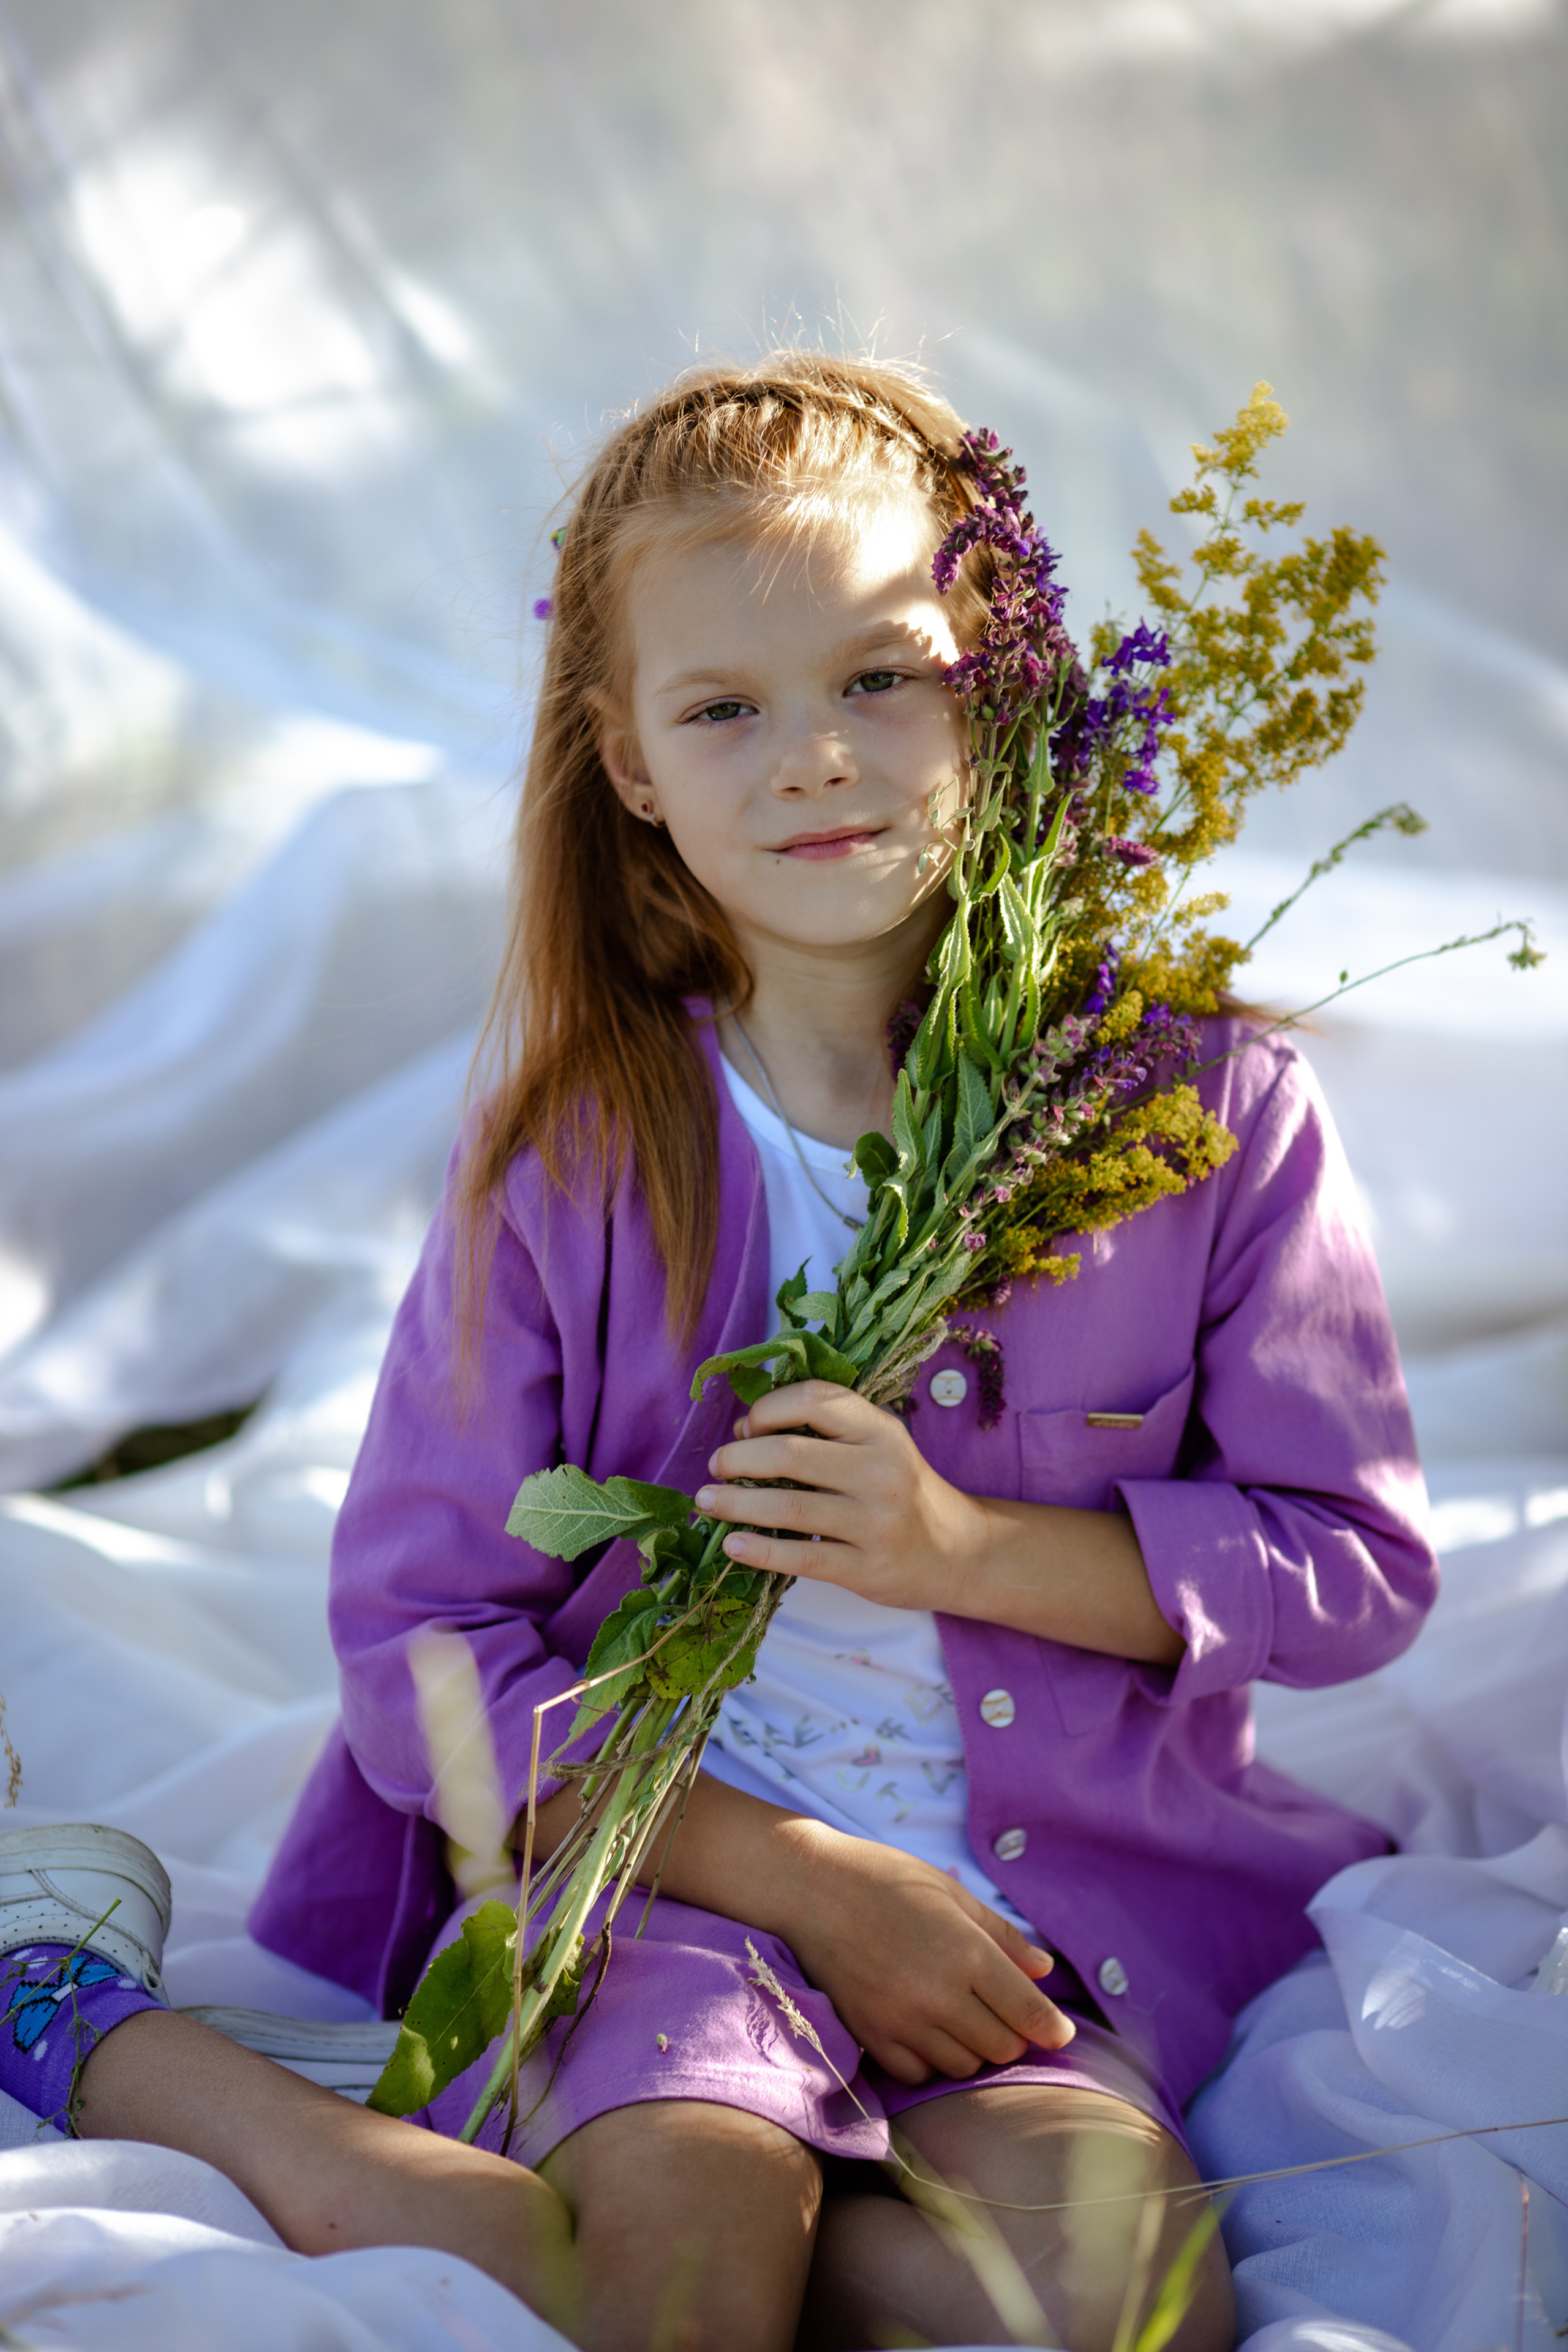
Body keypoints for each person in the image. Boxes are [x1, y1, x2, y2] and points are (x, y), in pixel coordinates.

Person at [1, 352, 1436, 2352]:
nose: (817, 758)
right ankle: (100, 2031)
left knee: (1131, 2310)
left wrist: (962, 1553)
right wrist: (814, 1883)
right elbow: (421, 1642)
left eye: (883, 676)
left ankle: (464, 2187)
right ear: (629, 764)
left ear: (1006, 684)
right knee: (685, 2276)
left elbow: (1356, 1566)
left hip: (1047, 1918)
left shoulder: (1204, 1113)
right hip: (664, 1879)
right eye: (725, 709)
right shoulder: (575, 1155)